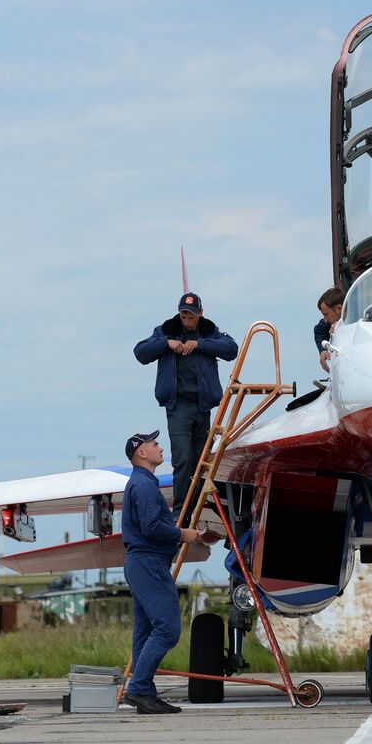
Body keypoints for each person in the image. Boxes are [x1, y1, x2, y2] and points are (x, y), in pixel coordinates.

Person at [120, 430, 204, 715]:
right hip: (149, 564)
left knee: (144, 632)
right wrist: (184, 534)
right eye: (154, 444)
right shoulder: (143, 486)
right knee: (167, 629)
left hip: (141, 563)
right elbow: (151, 527)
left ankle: (145, 693)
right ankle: (140, 689)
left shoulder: (141, 483)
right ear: (141, 453)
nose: (159, 447)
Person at [134, 293, 238, 518]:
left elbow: (232, 349)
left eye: (191, 315)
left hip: (203, 406)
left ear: (200, 313)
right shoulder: (165, 330)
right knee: (182, 459)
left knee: (200, 462)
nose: (187, 318)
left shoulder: (210, 331)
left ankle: (196, 512)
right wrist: (166, 344)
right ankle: (180, 515)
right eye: (183, 314)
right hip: (178, 406)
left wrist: (200, 344)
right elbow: (140, 353)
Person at [313, 287, 344, 373]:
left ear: (339, 309)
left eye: (326, 314)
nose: (325, 320)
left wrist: (341, 322)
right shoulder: (329, 322)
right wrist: (323, 350)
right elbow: (319, 331)